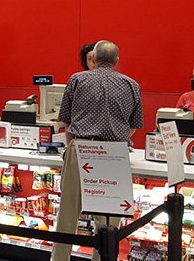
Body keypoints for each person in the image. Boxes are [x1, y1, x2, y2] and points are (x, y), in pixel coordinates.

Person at [51, 40, 143, 261]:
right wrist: (115, 138)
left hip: (81, 147)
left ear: (94, 58)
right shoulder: (132, 85)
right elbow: (134, 125)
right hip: (115, 153)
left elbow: (66, 120)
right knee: (109, 219)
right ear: (117, 60)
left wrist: (71, 147)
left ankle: (60, 259)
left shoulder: (77, 79)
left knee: (68, 213)